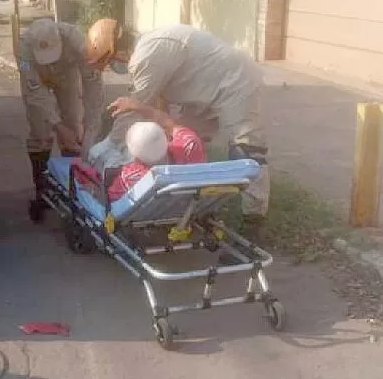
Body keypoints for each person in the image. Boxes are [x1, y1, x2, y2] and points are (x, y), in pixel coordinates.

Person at [83, 18, 270, 242]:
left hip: (237, 82)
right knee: (184, 144)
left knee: (245, 149)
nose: (114, 66)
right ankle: (186, 201)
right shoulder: (150, 51)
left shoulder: (148, 55)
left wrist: (110, 146)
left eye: (110, 61)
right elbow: (159, 109)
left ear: (118, 50)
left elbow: (134, 107)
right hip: (204, 91)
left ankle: (253, 221)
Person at [17, 18, 106, 221]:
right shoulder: (23, 48)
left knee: (74, 125)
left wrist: (91, 129)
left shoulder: (78, 41)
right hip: (37, 78)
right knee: (39, 131)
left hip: (68, 75)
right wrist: (57, 126)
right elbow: (34, 92)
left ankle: (72, 187)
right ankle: (41, 190)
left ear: (60, 38)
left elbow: (93, 86)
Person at [104, 97, 206, 201]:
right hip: (187, 206)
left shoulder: (128, 179)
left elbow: (113, 202)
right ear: (166, 137)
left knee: (103, 156)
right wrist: (139, 106)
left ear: (135, 157)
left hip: (151, 213)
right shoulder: (190, 145)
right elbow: (169, 123)